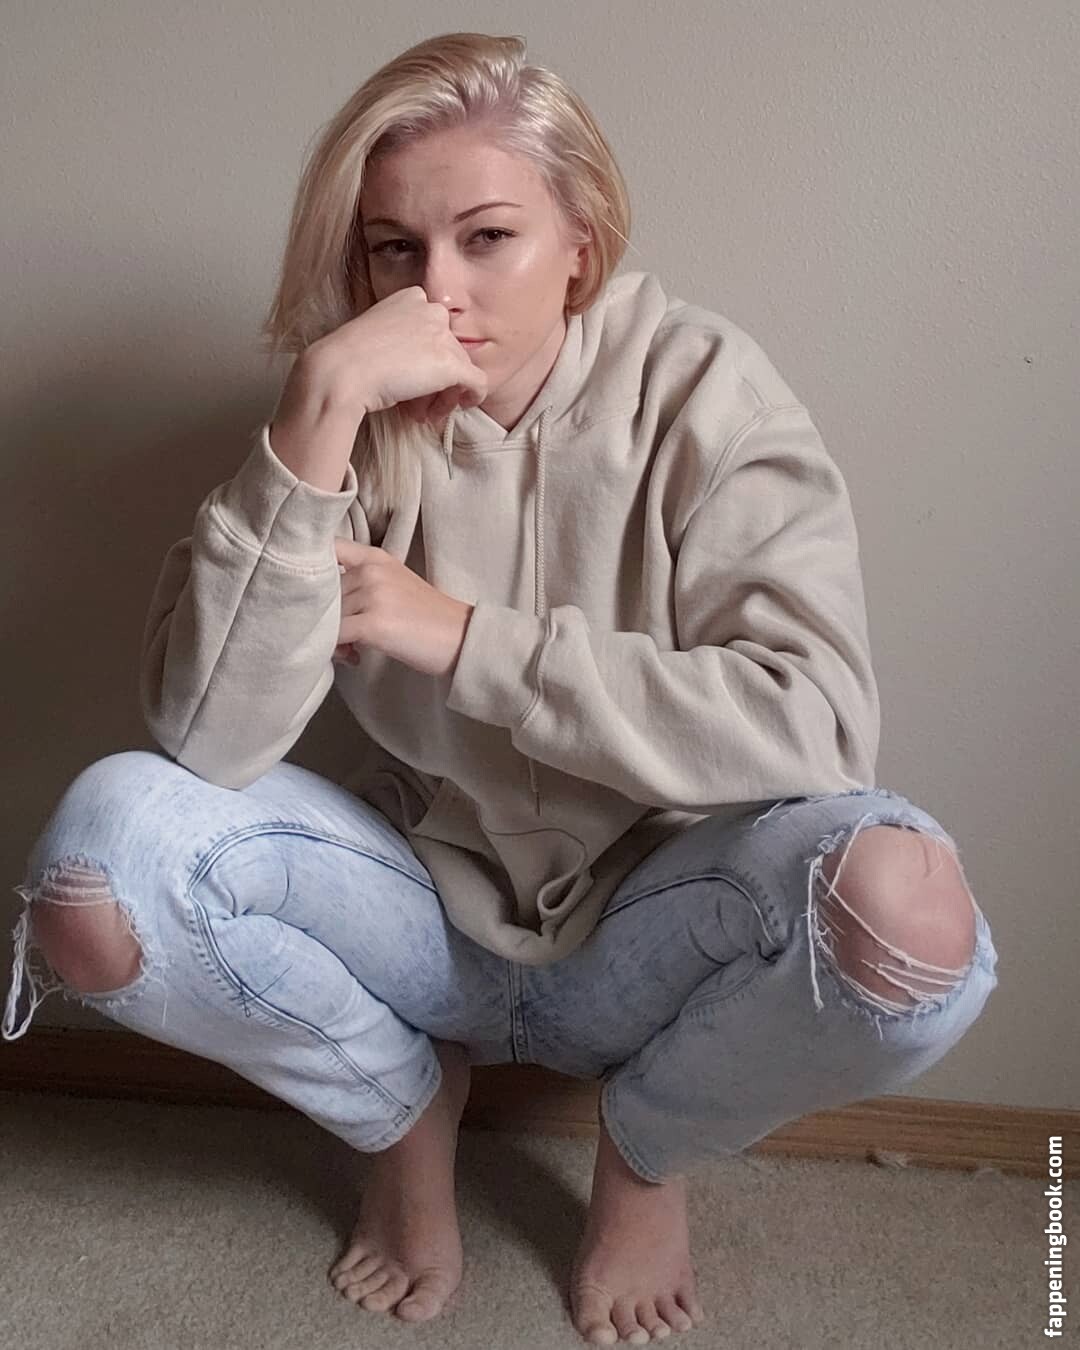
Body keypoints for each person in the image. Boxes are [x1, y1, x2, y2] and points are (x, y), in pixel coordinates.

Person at [3, 30, 998, 1348]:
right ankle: (402, 1110)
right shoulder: (351, 409)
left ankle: (646, 1151)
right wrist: (319, 404)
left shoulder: (704, 388)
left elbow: (816, 727)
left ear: (581, 239)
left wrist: (467, 638)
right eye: (393, 249)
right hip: (417, 913)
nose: (438, 291)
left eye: (487, 238)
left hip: (651, 926)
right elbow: (209, 738)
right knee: (99, 872)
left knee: (908, 915)